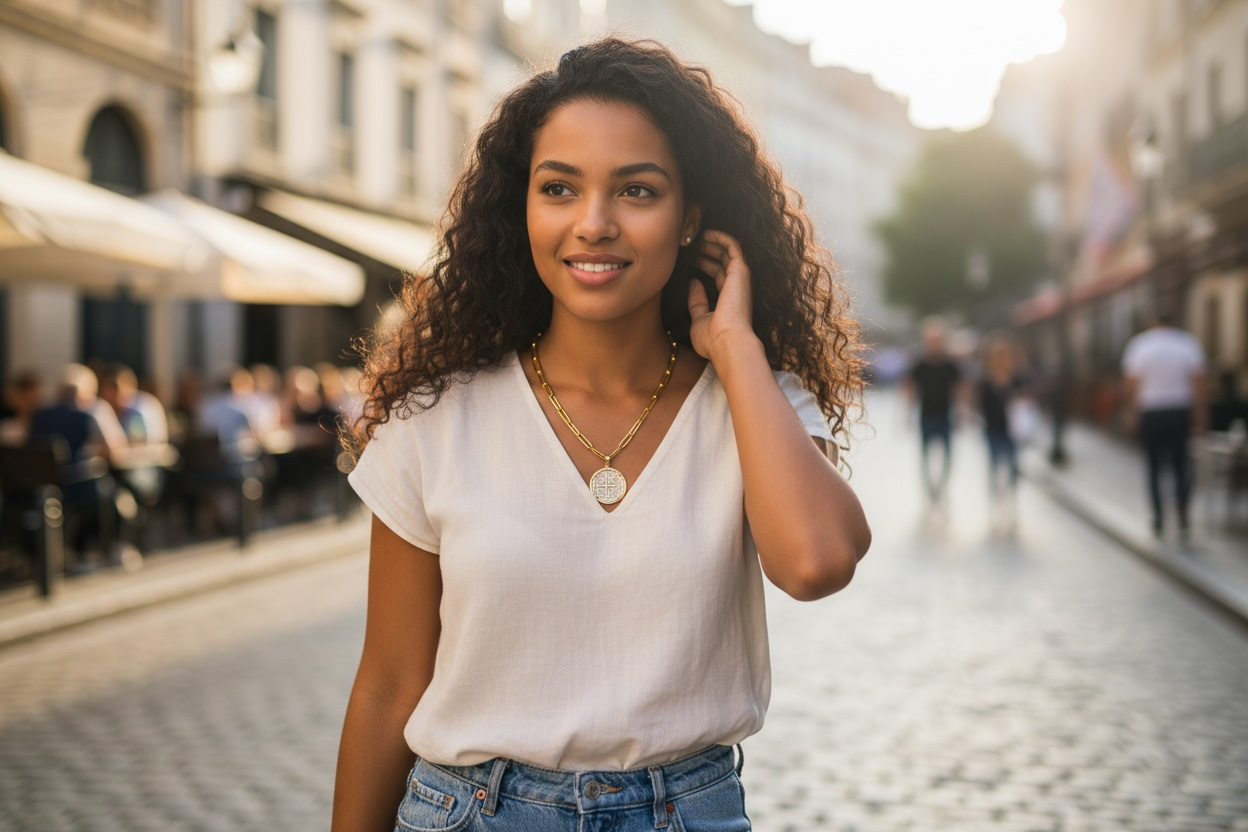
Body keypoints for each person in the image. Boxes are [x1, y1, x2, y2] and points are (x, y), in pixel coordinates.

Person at [333, 39, 872, 832]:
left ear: (691, 217)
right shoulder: (436, 417)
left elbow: (817, 562)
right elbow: (388, 682)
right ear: (524, 208)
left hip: (687, 814)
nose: (594, 224)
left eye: (637, 191)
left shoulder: (754, 403)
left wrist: (735, 348)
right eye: (559, 188)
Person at [1122, 312, 1207, 535]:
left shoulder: (1140, 345)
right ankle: (1181, 510)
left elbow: (1132, 382)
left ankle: (1158, 516)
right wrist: (1200, 411)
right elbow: (1197, 379)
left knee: (1153, 465)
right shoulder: (1187, 343)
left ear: (1154, 323)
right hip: (1179, 409)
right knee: (1181, 464)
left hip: (1151, 411)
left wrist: (1131, 410)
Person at [903, 317, 964, 505]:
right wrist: (907, 414)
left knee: (947, 457)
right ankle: (929, 491)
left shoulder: (950, 366)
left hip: (945, 416)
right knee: (925, 457)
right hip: (926, 416)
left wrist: (962, 411)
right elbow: (910, 389)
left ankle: (941, 488)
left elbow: (959, 389)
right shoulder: (919, 365)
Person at [976, 337, 1027, 529]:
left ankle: (1012, 503)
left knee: (1013, 468)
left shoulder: (1017, 378)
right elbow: (981, 405)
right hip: (993, 430)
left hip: (1013, 431)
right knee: (995, 468)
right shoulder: (985, 380)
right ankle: (996, 504)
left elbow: (1026, 399)